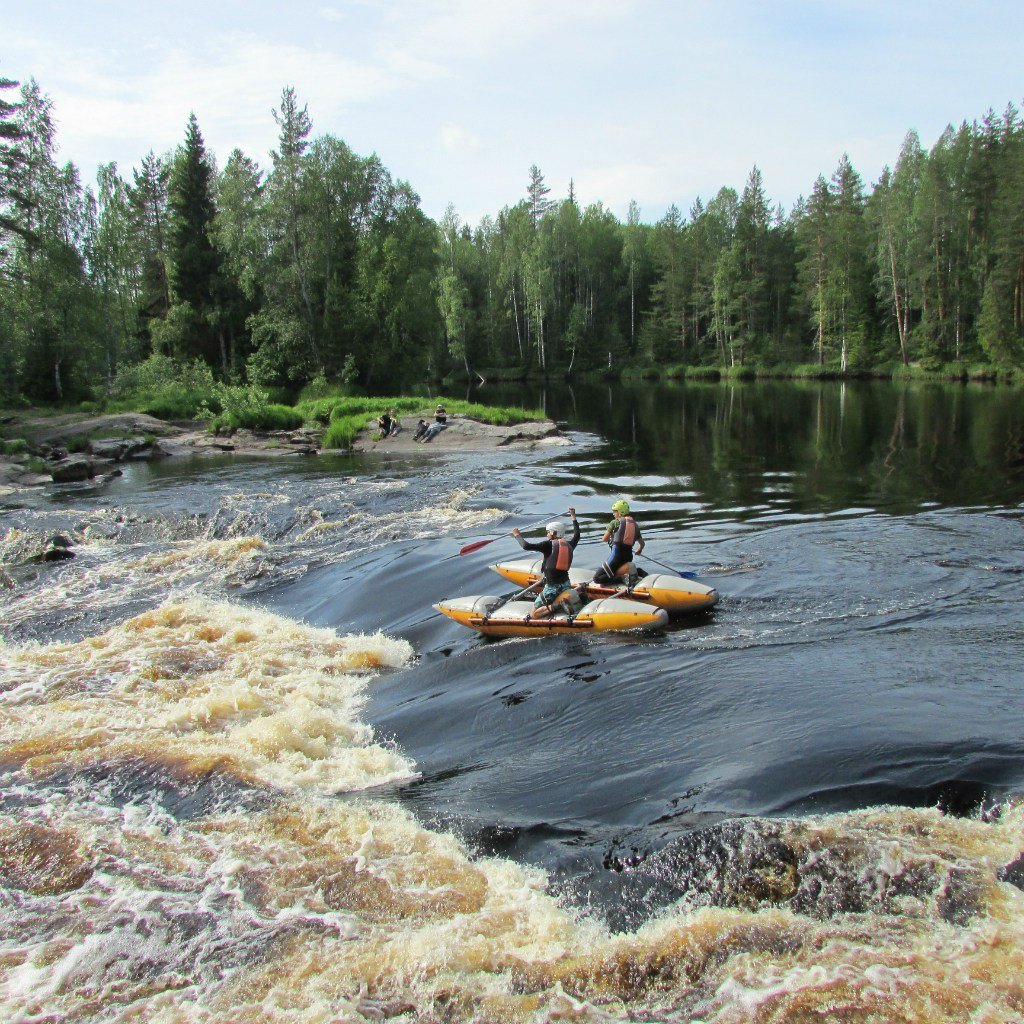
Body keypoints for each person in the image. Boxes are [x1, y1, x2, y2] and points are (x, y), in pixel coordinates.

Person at [511, 508, 580, 619]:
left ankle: (555, 606)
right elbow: (577, 535)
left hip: (552, 587)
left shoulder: (547, 545)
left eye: (548, 532)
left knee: (534, 614)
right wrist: (573, 516)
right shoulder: (570, 545)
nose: (547, 534)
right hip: (566, 584)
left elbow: (526, 546)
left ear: (553, 533)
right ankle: (560, 601)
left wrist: (517, 535)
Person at [593, 499, 644, 585]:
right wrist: (639, 549)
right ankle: (638, 572)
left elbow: (604, 539)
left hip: (616, 558)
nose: (613, 513)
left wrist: (612, 537)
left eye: (615, 511)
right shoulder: (635, 525)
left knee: (597, 578)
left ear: (621, 511)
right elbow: (642, 543)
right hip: (628, 557)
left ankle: (622, 579)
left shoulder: (615, 522)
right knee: (613, 570)